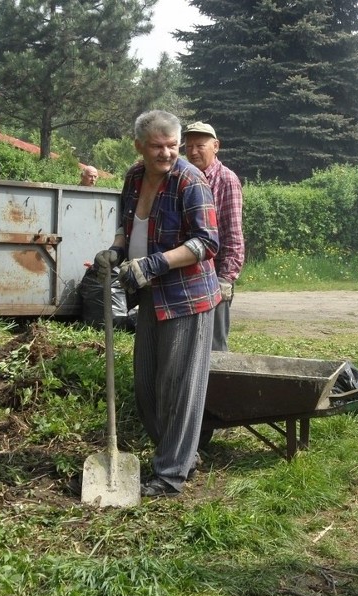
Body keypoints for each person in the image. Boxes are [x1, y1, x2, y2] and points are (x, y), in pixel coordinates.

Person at [92, 110, 220, 498]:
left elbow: (207, 242)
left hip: (187, 297)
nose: (166, 153)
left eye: (172, 146)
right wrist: (114, 251)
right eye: (156, 146)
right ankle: (180, 456)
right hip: (148, 294)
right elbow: (126, 224)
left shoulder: (190, 182)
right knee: (147, 386)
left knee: (178, 386)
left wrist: (155, 263)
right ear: (139, 146)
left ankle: (170, 475)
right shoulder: (133, 178)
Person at [184, 121, 244, 351]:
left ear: (216, 146)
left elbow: (234, 234)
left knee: (215, 346)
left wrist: (226, 278)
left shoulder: (226, 180)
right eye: (189, 146)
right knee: (190, 344)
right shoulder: (184, 177)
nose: (193, 151)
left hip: (214, 275)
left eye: (200, 145)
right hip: (187, 272)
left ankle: (218, 386)